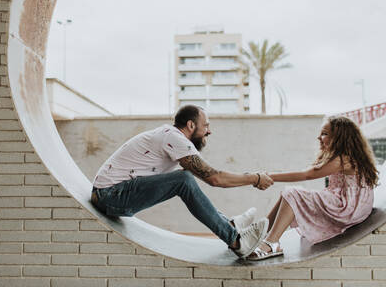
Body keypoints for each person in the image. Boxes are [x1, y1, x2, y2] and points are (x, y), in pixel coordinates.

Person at [90, 105, 274, 258]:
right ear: (191, 125)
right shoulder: (173, 138)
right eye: (206, 126)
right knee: (183, 179)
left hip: (111, 193)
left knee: (185, 176)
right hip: (109, 195)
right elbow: (215, 178)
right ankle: (236, 241)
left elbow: (205, 173)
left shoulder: (170, 137)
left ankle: (229, 225)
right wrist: (254, 178)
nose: (209, 131)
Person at [248, 116, 379, 260]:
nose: (319, 137)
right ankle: (259, 233)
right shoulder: (346, 156)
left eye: (324, 133)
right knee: (288, 194)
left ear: (339, 137)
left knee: (293, 193)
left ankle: (272, 243)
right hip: (350, 205)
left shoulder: (343, 158)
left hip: (347, 207)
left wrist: (267, 176)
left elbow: (306, 175)